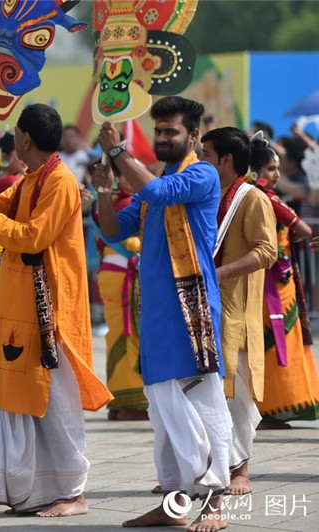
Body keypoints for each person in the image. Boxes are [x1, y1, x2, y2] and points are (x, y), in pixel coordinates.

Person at [0, 104, 112, 517]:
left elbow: (31, 237)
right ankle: (34, 490)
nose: (13, 138)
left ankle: (74, 493)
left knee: (59, 402)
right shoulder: (34, 177)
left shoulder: (60, 182)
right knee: (25, 396)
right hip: (21, 303)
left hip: (52, 310)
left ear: (25, 138)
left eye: (15, 132)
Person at [95, 96, 232, 531]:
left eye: (171, 131)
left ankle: (214, 507)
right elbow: (116, 229)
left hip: (190, 310)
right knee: (163, 411)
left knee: (203, 405)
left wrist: (119, 152)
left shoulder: (202, 174)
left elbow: (156, 191)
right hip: (156, 310)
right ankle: (174, 504)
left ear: (193, 135)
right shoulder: (156, 181)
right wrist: (102, 189)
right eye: (158, 132)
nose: (162, 139)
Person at [200, 127, 278, 495]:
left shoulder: (252, 199)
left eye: (206, 155)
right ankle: (207, 466)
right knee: (206, 391)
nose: (200, 160)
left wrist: (222, 272)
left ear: (226, 161)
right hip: (208, 307)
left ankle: (241, 469)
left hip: (236, 310)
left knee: (238, 395)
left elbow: (267, 251)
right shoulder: (210, 195)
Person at [249, 134, 319, 428]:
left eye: (277, 169)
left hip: (267, 280)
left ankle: (269, 407)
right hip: (273, 283)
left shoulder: (243, 195)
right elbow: (303, 228)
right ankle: (273, 407)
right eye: (270, 170)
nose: (276, 175)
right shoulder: (265, 196)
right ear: (254, 172)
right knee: (276, 342)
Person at [91, 162, 146, 420]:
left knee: (119, 335)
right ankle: (131, 403)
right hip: (124, 276)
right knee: (129, 335)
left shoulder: (107, 203)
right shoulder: (126, 204)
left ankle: (119, 401)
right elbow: (129, 242)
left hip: (112, 274)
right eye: (127, 172)